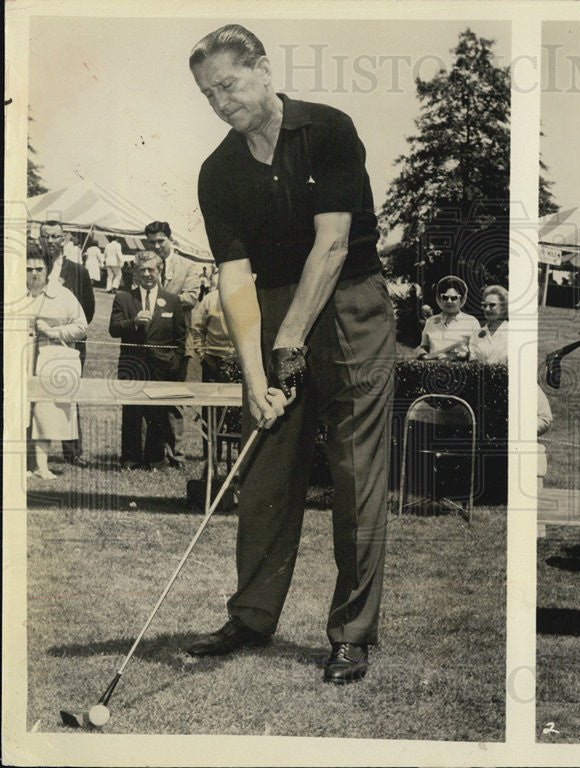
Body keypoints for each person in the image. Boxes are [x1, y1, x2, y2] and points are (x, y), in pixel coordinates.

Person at [186, 24, 395, 686]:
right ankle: (251, 617)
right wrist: (254, 376)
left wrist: (291, 336)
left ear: (265, 70)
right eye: (207, 94)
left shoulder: (329, 129)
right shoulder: (217, 172)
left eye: (228, 85)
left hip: (350, 306)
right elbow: (236, 279)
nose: (220, 102)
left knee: (354, 475)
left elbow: (332, 243)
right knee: (267, 470)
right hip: (274, 309)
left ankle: (352, 633)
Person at [109, 251, 188, 469]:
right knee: (132, 413)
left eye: (151, 269)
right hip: (132, 365)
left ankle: (155, 459)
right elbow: (114, 329)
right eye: (142, 269)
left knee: (159, 414)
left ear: (159, 270)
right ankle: (130, 459)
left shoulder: (171, 301)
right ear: (135, 272)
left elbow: (181, 335)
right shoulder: (124, 298)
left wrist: (175, 361)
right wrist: (133, 322)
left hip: (162, 367)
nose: (147, 274)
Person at [24, 245, 87, 479]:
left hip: (49, 360)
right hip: (18, 361)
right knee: (19, 411)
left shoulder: (62, 294)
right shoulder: (13, 292)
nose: (33, 274)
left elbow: (81, 327)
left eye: (39, 269)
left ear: (48, 270)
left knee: (45, 412)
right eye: (28, 269)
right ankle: (21, 464)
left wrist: (55, 332)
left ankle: (42, 465)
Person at [39, 220, 95, 468]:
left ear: (65, 239)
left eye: (55, 236)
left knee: (68, 394)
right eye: (46, 236)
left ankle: (72, 452)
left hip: (67, 345)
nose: (51, 241)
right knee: (36, 394)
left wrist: (61, 332)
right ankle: (35, 452)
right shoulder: (32, 267)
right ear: (41, 239)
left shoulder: (78, 272)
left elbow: (88, 311)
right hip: (36, 344)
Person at [146, 220, 203, 464]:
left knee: (175, 400)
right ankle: (154, 453)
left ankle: (176, 454)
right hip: (150, 343)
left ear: (171, 239)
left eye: (161, 241)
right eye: (152, 243)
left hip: (179, 341)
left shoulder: (189, 266)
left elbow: (190, 299)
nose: (157, 246)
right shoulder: (146, 266)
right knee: (150, 400)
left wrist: (158, 301)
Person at [191, 284, 237, 457]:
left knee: (235, 411)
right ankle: (211, 453)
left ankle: (237, 454)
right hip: (213, 361)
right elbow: (196, 329)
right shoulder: (210, 299)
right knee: (211, 411)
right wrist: (203, 356)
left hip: (239, 360)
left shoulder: (246, 298)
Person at [416, 276, 480, 361]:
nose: (449, 301)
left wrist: (455, 357)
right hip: (434, 369)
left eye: (454, 298)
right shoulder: (431, 321)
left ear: (461, 299)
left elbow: (478, 352)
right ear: (440, 298)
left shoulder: (472, 322)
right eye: (445, 297)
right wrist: (423, 355)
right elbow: (424, 346)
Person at [468, 285, 508, 364]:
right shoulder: (477, 333)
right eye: (485, 305)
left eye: (492, 305)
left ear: (503, 307)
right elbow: (473, 360)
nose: (487, 309)